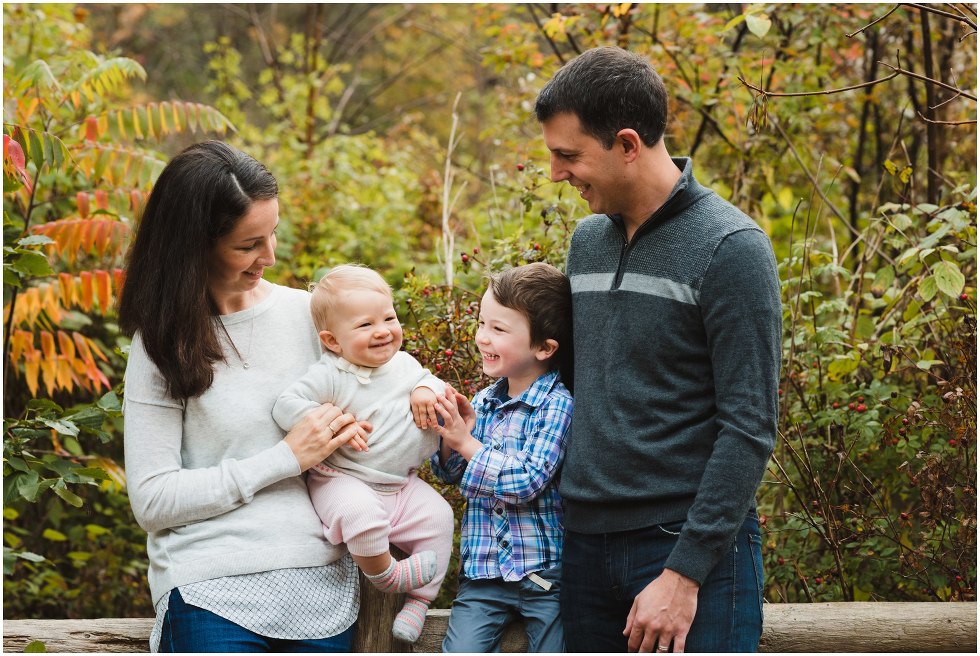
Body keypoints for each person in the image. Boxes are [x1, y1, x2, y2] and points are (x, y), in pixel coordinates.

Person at [534, 47, 781, 653]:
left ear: (626, 144)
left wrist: (684, 571)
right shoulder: (587, 241)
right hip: (586, 548)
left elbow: (749, 425)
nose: (556, 174)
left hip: (688, 549)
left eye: (569, 156)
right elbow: (580, 379)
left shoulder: (732, 247)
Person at [119, 140, 372, 653]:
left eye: (272, 234)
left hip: (321, 588)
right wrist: (284, 458)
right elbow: (152, 500)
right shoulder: (161, 343)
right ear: (195, 244)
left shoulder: (312, 318)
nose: (270, 256)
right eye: (248, 245)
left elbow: (380, 424)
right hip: (209, 588)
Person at [272, 264, 454, 644]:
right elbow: (286, 405)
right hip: (344, 481)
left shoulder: (404, 366)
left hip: (401, 486)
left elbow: (430, 381)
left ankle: (419, 601)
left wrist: (424, 390)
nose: (384, 330)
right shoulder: (331, 374)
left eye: (388, 317)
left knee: (440, 517)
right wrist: (333, 421)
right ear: (333, 341)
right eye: (365, 325)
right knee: (361, 515)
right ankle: (386, 574)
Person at [429, 262, 574, 653]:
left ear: (544, 348)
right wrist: (450, 433)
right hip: (484, 578)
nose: (482, 338)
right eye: (481, 323)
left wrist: (466, 443)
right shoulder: (484, 403)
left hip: (544, 576)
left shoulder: (556, 406)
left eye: (498, 329)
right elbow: (450, 474)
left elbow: (527, 480)